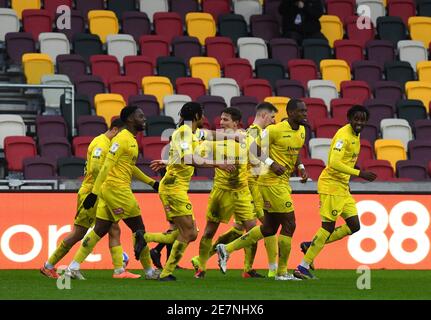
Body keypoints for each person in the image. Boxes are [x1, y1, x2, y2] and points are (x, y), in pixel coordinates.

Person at [216, 99, 309, 281]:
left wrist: (302, 166)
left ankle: (226, 249)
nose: (305, 114)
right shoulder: (274, 130)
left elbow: (295, 151)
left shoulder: (302, 131)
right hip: (270, 182)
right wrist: (271, 163)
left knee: (268, 228)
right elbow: (253, 148)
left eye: (306, 111)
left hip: (282, 182)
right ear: (289, 113)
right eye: (301, 111)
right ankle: (281, 272)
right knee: (290, 224)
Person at [65, 106, 160, 280]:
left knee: (99, 230)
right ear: (130, 119)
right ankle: (149, 271)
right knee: (139, 229)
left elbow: (130, 167)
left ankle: (72, 267)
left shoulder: (130, 139)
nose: (144, 119)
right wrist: (93, 193)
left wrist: (152, 183)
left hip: (111, 190)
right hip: (118, 190)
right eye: (140, 116)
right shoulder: (122, 139)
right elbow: (106, 166)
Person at [40, 119, 141, 279]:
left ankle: (118, 271)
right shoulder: (101, 143)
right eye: (121, 133)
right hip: (92, 193)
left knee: (113, 227)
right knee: (80, 233)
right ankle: (50, 265)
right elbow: (95, 168)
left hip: (101, 191)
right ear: (115, 130)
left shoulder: (106, 142)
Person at [191, 102, 279, 278]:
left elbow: (257, 158)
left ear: (236, 123)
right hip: (221, 192)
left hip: (242, 191)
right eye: (221, 119)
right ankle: (201, 266)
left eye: (225, 120)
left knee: (252, 229)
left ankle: (247, 269)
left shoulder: (245, 139)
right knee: (210, 230)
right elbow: (194, 159)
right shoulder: (212, 142)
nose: (221, 122)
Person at [150, 102, 236, 281]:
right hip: (173, 188)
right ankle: (148, 245)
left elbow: (210, 136)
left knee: (184, 232)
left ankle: (161, 262)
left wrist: (233, 136)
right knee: (190, 233)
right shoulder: (184, 132)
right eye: (202, 114)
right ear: (196, 116)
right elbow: (188, 158)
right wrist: (218, 163)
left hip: (176, 187)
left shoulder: (192, 132)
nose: (204, 118)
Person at [294, 105, 377, 279]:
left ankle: (310, 245)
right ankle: (302, 266)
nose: (359, 122)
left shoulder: (356, 134)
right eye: (356, 119)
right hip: (331, 185)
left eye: (362, 120)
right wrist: (359, 173)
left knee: (354, 225)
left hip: (342, 186)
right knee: (328, 227)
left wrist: (347, 182)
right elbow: (334, 163)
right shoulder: (343, 136)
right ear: (349, 119)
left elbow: (346, 162)